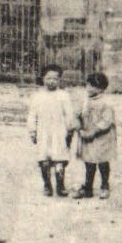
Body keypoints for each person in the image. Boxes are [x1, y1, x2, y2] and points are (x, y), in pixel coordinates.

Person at [26, 65, 78, 197]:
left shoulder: (63, 95)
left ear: (59, 80)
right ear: (43, 79)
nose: (51, 81)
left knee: (59, 158)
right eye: (48, 78)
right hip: (43, 132)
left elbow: (69, 114)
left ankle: (60, 185)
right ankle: (47, 184)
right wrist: (32, 131)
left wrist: (70, 129)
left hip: (59, 132)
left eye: (55, 78)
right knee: (44, 158)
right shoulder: (37, 96)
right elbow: (32, 115)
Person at [74, 72, 117, 199]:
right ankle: (88, 187)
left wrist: (93, 131)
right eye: (88, 85)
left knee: (102, 162)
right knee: (89, 163)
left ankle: (104, 185)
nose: (89, 88)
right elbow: (77, 114)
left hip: (102, 137)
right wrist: (77, 125)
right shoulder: (85, 101)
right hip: (87, 136)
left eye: (93, 86)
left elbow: (106, 121)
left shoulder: (106, 103)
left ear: (101, 89)